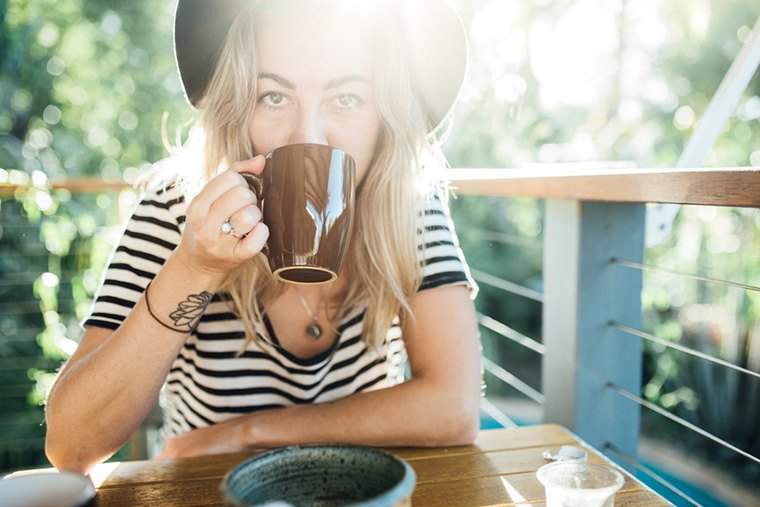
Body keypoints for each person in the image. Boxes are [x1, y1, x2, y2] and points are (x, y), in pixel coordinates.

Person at [45, 0, 481, 474]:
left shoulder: (408, 209)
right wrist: (195, 268)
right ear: (238, 109)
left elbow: (454, 409)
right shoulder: (174, 211)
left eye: (348, 98)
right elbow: (72, 446)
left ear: (385, 117)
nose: (306, 135)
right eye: (273, 96)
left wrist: (249, 434)